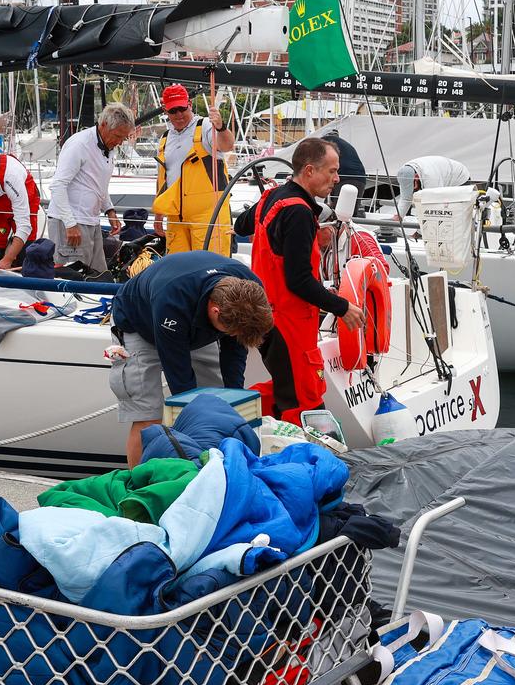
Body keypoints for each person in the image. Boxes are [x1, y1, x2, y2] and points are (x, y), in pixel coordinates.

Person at [233, 138, 366, 422]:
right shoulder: (298, 213)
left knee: (284, 390)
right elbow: (298, 280)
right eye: (331, 171)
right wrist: (342, 307)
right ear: (309, 171)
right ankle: (305, 459)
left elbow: (241, 225)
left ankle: (245, 428)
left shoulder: (272, 197)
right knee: (303, 398)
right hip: (289, 323)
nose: (337, 178)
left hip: (266, 315)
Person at [109, 251, 274, 467]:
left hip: (195, 328)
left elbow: (235, 350)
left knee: (219, 407)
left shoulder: (250, 289)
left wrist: (233, 397)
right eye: (230, 332)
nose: (233, 337)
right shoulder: (172, 299)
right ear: (215, 311)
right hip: (139, 325)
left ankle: (214, 474)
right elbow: (179, 377)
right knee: (148, 416)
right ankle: (138, 484)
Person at [46, 103, 135, 273]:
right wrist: (70, 224)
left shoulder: (109, 147)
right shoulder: (79, 144)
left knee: (99, 274)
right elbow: (58, 185)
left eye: (123, 138)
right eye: (117, 136)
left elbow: (96, 183)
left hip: (91, 221)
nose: (119, 142)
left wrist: (109, 209)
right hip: (71, 222)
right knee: (73, 277)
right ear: (103, 125)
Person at [153, 84, 236, 256]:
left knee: (211, 266)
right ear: (165, 111)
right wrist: (158, 215)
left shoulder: (205, 126)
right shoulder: (165, 138)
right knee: (178, 269)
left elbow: (227, 146)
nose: (179, 114)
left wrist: (220, 127)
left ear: (189, 104)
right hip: (176, 216)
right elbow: (162, 178)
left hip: (209, 215)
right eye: (173, 110)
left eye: (182, 108)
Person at [391, 155, 470, 219]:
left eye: (414, 187)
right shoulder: (404, 173)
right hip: (441, 173)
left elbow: (433, 208)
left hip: (460, 178)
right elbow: (405, 198)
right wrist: (398, 216)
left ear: (416, 177)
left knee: (454, 213)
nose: (414, 190)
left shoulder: (430, 178)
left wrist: (419, 232)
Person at [323, 129, 367, 215]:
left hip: (344, 178)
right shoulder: (346, 145)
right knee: (351, 214)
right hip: (361, 179)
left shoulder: (326, 143)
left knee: (337, 214)